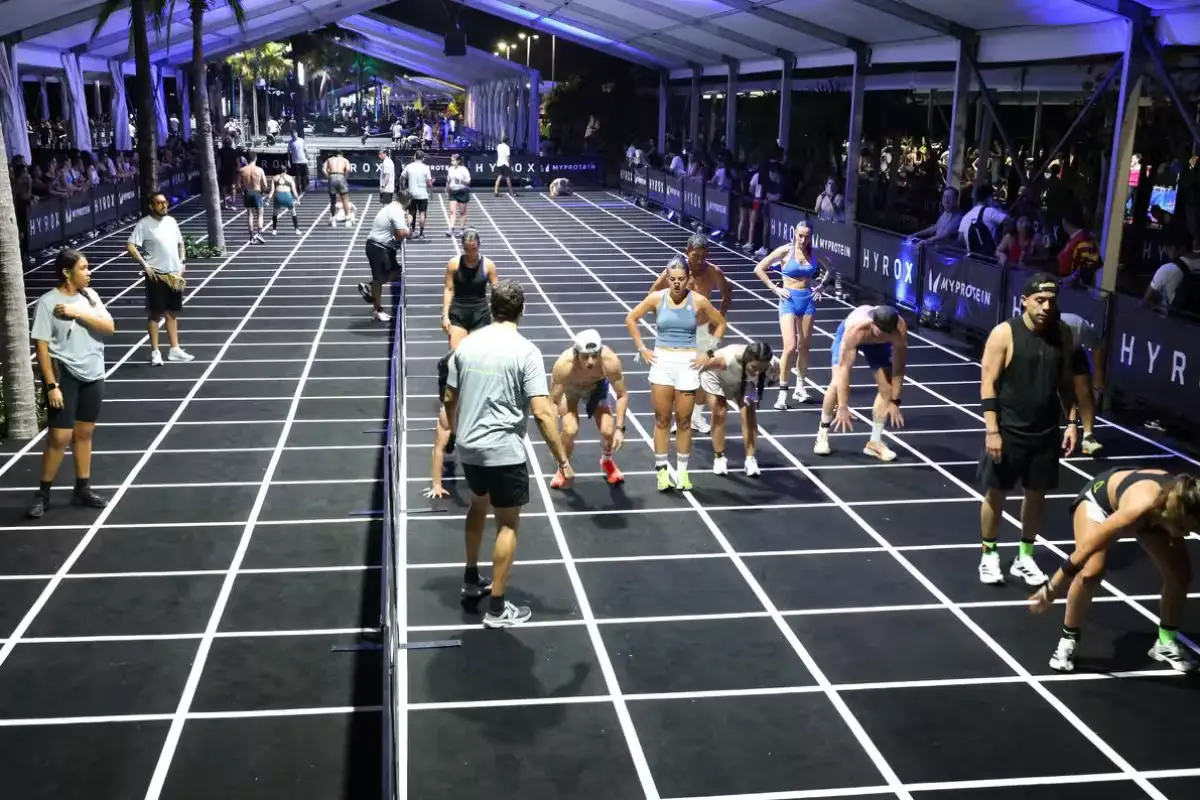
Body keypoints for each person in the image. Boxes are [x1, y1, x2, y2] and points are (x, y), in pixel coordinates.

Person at [443, 280, 573, 628]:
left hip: (470, 448)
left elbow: (448, 398)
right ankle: (498, 607)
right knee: (508, 523)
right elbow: (543, 412)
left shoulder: (467, 346)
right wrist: (562, 458)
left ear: (490, 306)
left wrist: (456, 433)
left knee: (477, 504)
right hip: (504, 451)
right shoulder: (526, 351)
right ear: (522, 310)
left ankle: (472, 578)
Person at [978, 273, 1093, 587]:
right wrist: (992, 431)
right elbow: (987, 383)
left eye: (1051, 302)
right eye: (1039, 301)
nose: (1045, 307)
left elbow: (1066, 384)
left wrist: (1071, 423)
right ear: (1024, 301)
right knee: (996, 493)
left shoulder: (1063, 335)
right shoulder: (1004, 334)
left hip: (1045, 432)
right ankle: (989, 553)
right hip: (1008, 429)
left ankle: (1024, 556)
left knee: (1037, 496)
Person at [1029, 468, 1200, 674]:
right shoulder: (1138, 510)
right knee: (1092, 570)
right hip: (1101, 503)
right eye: (1185, 529)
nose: (1189, 533)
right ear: (1175, 518)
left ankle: (1165, 642)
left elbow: (1181, 558)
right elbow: (1083, 552)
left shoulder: (1182, 503)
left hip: (1156, 514)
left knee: (1180, 575)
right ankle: (1069, 638)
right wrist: (1051, 589)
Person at [27, 249, 115, 519]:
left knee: (85, 433)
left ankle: (83, 488)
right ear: (67, 272)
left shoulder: (90, 297)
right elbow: (41, 345)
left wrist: (78, 312)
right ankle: (42, 494)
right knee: (59, 437)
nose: (89, 272)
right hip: (65, 375)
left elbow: (109, 327)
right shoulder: (47, 302)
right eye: (84, 268)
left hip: (93, 373)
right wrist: (51, 385)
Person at [625, 257, 727, 492]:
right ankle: (662, 471)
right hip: (662, 361)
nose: (677, 284)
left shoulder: (698, 301)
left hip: (687, 363)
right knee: (662, 420)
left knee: (683, 421)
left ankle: (682, 472)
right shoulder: (657, 298)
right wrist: (642, 349)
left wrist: (709, 351)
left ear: (688, 278)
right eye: (672, 279)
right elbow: (631, 318)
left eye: (681, 279)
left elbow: (721, 323)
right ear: (667, 279)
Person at [648, 234, 731, 433]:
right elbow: (652, 294)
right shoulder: (674, 272)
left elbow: (728, 294)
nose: (700, 261)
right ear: (687, 253)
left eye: (704, 256)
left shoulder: (713, 272)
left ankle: (696, 416)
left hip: (703, 332)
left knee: (703, 373)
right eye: (696, 256)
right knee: (678, 375)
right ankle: (680, 417)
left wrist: (719, 315)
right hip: (678, 334)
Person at [815, 305, 907, 461]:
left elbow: (899, 368)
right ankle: (822, 433)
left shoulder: (899, 331)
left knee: (887, 388)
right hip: (850, 336)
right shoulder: (856, 329)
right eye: (881, 331)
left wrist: (895, 402)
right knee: (836, 383)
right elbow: (844, 370)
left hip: (876, 346)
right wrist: (843, 407)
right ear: (873, 323)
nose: (884, 335)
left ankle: (874, 443)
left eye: (888, 333)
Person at [753, 220, 825, 410]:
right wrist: (773, 288)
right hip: (788, 300)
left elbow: (831, 269)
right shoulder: (786, 251)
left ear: (811, 236)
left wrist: (822, 285)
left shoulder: (814, 253)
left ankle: (800, 387)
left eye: (806, 236)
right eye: (800, 235)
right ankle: (782, 393)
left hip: (807, 300)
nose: (803, 239)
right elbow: (759, 268)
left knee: (804, 347)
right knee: (790, 347)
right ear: (794, 233)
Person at [547, 329, 629, 488]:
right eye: (585, 357)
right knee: (570, 430)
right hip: (570, 390)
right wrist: (553, 435)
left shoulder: (610, 361)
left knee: (608, 430)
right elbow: (552, 402)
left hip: (595, 388)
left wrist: (620, 428)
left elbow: (622, 395)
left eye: (594, 356)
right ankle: (563, 466)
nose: (590, 362)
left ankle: (607, 460)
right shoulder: (564, 365)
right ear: (576, 354)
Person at [127, 193, 194, 366]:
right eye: (159, 203)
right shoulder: (144, 224)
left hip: (174, 273)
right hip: (156, 275)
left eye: (165, 202)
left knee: (172, 312)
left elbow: (181, 243)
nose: (164, 205)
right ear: (151, 206)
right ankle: (155, 352)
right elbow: (131, 245)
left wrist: (182, 261)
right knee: (156, 313)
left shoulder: (171, 222)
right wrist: (145, 265)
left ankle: (174, 349)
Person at [699, 340, 779, 477]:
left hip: (743, 381)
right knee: (720, 411)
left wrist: (769, 379)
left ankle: (750, 459)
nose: (757, 372)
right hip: (715, 376)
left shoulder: (773, 364)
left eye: (761, 369)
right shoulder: (727, 358)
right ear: (747, 360)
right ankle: (719, 457)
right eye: (754, 368)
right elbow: (703, 362)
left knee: (748, 412)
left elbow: (778, 377)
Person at [440, 229, 498, 349]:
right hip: (458, 313)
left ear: (479, 246)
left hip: (480, 314)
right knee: (455, 354)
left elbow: (496, 291)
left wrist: (498, 316)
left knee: (477, 354)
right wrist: (445, 316)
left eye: (474, 249)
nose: (470, 253)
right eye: (467, 249)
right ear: (462, 247)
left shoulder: (488, 265)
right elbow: (448, 289)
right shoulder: (454, 264)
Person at [357, 192, 410, 323]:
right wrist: (409, 226)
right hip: (379, 248)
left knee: (395, 271)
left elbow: (396, 232)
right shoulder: (397, 211)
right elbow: (403, 232)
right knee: (380, 279)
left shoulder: (390, 207)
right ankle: (377, 310)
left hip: (378, 246)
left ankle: (369, 287)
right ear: (408, 201)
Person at [1058, 311, 1104, 456]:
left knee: (1084, 390)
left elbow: (1097, 346)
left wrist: (1098, 375)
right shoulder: (1040, 332)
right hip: (1047, 354)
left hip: (1074, 353)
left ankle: (1088, 437)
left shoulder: (1077, 325)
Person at [423, 351, 456, 500]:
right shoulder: (447, 414)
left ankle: (453, 436)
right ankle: (452, 436)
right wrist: (437, 485)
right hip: (448, 365)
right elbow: (438, 448)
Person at [401, 151, 433, 239]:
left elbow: (402, 177)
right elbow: (429, 183)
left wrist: (403, 189)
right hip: (422, 194)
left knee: (411, 213)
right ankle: (421, 233)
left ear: (415, 157)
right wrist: (431, 187)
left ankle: (411, 231)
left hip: (412, 193)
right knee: (422, 213)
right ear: (423, 158)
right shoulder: (425, 168)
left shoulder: (409, 166)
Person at [238, 153, 268, 243]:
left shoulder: (242, 170)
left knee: (250, 215)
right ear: (256, 159)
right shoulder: (259, 170)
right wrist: (262, 192)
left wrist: (243, 192)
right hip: (257, 192)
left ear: (247, 159)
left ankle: (251, 237)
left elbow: (238, 185)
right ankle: (259, 234)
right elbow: (265, 185)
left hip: (247, 193)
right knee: (260, 214)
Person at [322, 150, 354, 226]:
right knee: (345, 199)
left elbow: (323, 169)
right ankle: (348, 220)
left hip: (332, 176)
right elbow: (348, 169)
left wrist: (328, 177)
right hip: (341, 176)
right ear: (341, 155)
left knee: (333, 200)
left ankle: (333, 220)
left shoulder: (329, 159)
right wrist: (345, 177)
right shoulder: (345, 160)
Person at [445, 153, 472, 237]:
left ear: (458, 161)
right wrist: (447, 189)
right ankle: (451, 229)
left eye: (453, 161)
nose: (452, 162)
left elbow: (468, 181)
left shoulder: (464, 169)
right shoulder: (450, 169)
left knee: (462, 212)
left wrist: (460, 181)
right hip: (453, 192)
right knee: (452, 211)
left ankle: (462, 229)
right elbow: (448, 180)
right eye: (451, 161)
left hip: (462, 191)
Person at [267, 169, 301, 235]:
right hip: (287, 196)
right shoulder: (290, 178)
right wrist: (298, 199)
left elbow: (272, 191)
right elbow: (294, 191)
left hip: (278, 196)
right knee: (293, 213)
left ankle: (274, 230)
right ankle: (297, 230)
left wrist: (268, 201)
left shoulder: (275, 178)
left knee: (275, 213)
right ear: (286, 171)